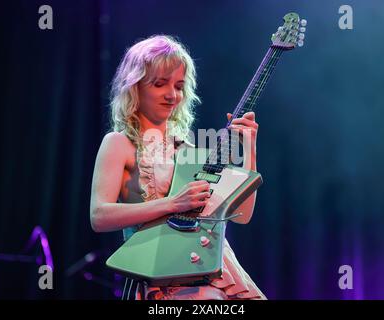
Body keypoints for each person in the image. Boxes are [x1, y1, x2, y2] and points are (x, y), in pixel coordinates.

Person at [90, 35, 266, 300]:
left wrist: (249, 149)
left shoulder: (191, 152)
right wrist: (172, 204)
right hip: (162, 275)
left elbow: (241, 215)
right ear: (135, 86)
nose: (172, 95)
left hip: (216, 271)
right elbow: (99, 217)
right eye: (160, 84)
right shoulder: (119, 143)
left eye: (180, 86)